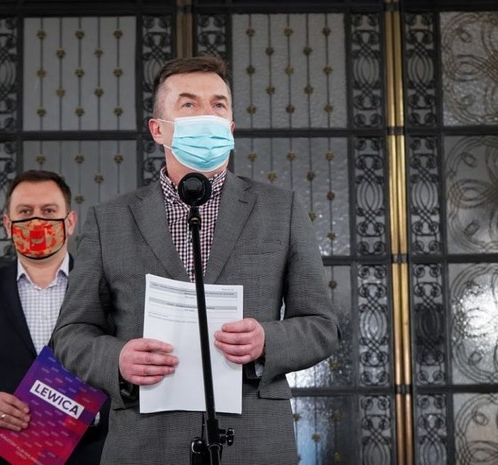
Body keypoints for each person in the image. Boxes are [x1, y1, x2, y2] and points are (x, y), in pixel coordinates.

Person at [51, 56, 340, 464]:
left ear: (231, 127)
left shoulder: (282, 210)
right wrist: (117, 360)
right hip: (144, 446)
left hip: (255, 444)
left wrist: (267, 341)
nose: (207, 115)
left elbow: (323, 326)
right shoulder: (109, 220)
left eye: (218, 105)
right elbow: (71, 333)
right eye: (188, 104)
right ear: (158, 129)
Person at [0, 170, 108, 465]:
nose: (36, 221)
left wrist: (95, 411)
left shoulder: (105, 291)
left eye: (48, 211)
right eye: (25, 212)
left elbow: (130, 377)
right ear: (7, 224)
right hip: (2, 457)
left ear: (70, 222)